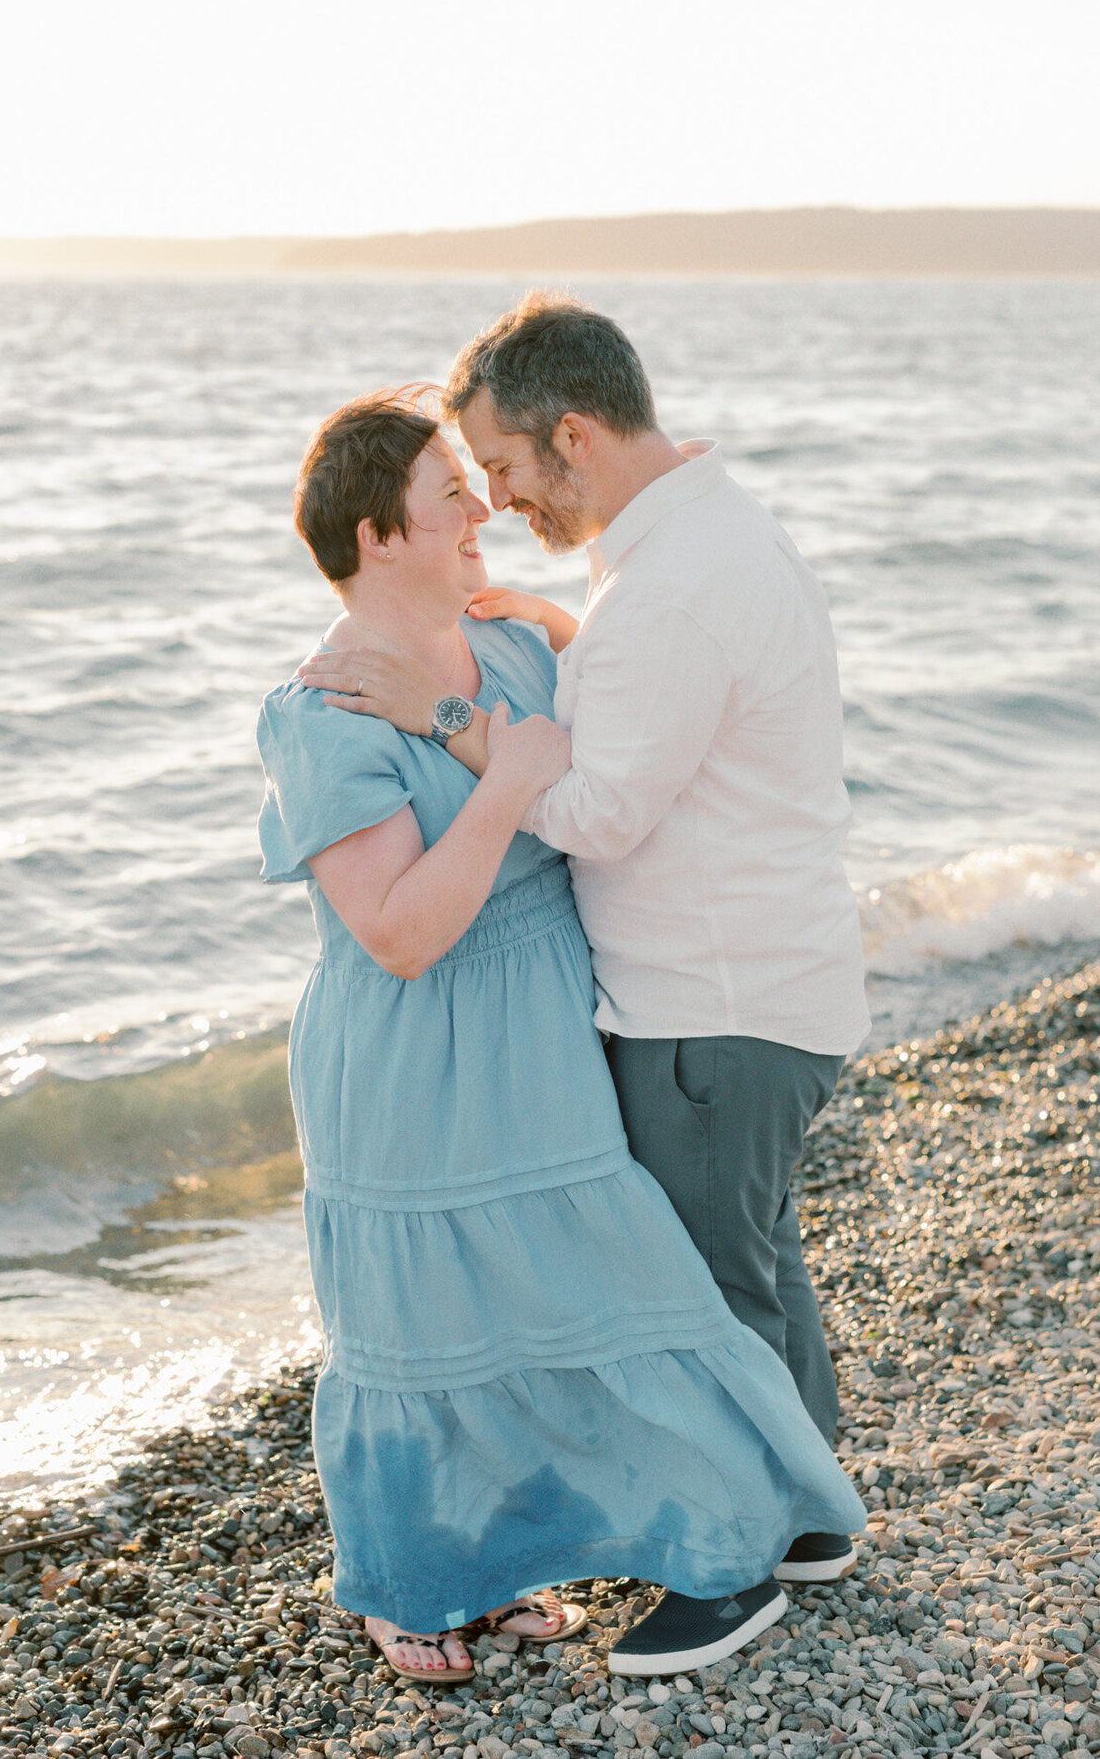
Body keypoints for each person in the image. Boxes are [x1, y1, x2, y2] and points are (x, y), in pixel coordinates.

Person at [296, 297, 873, 1672]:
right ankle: (812, 1519)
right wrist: (559, 631)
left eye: (500, 466)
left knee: (702, 1297)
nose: (495, 498)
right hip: (753, 982)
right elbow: (646, 678)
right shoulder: (685, 544)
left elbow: (598, 809)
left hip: (712, 1002)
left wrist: (450, 721)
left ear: (572, 435)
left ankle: (738, 1568)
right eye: (466, 485)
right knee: (753, 1261)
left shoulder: (672, 580)